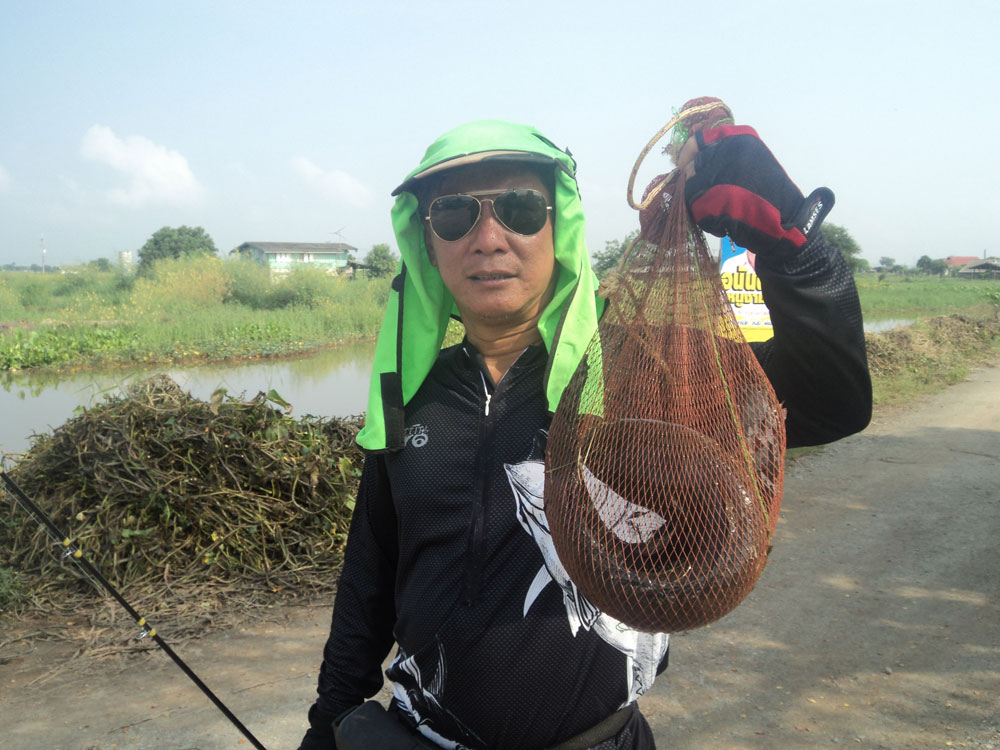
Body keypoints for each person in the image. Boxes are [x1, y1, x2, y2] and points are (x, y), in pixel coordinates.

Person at [297, 117, 872, 750]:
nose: (488, 238)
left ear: (561, 228)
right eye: (454, 215)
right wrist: (328, 723)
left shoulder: (645, 371)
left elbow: (832, 403)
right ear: (426, 241)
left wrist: (797, 245)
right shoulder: (410, 395)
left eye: (520, 209)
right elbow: (368, 583)